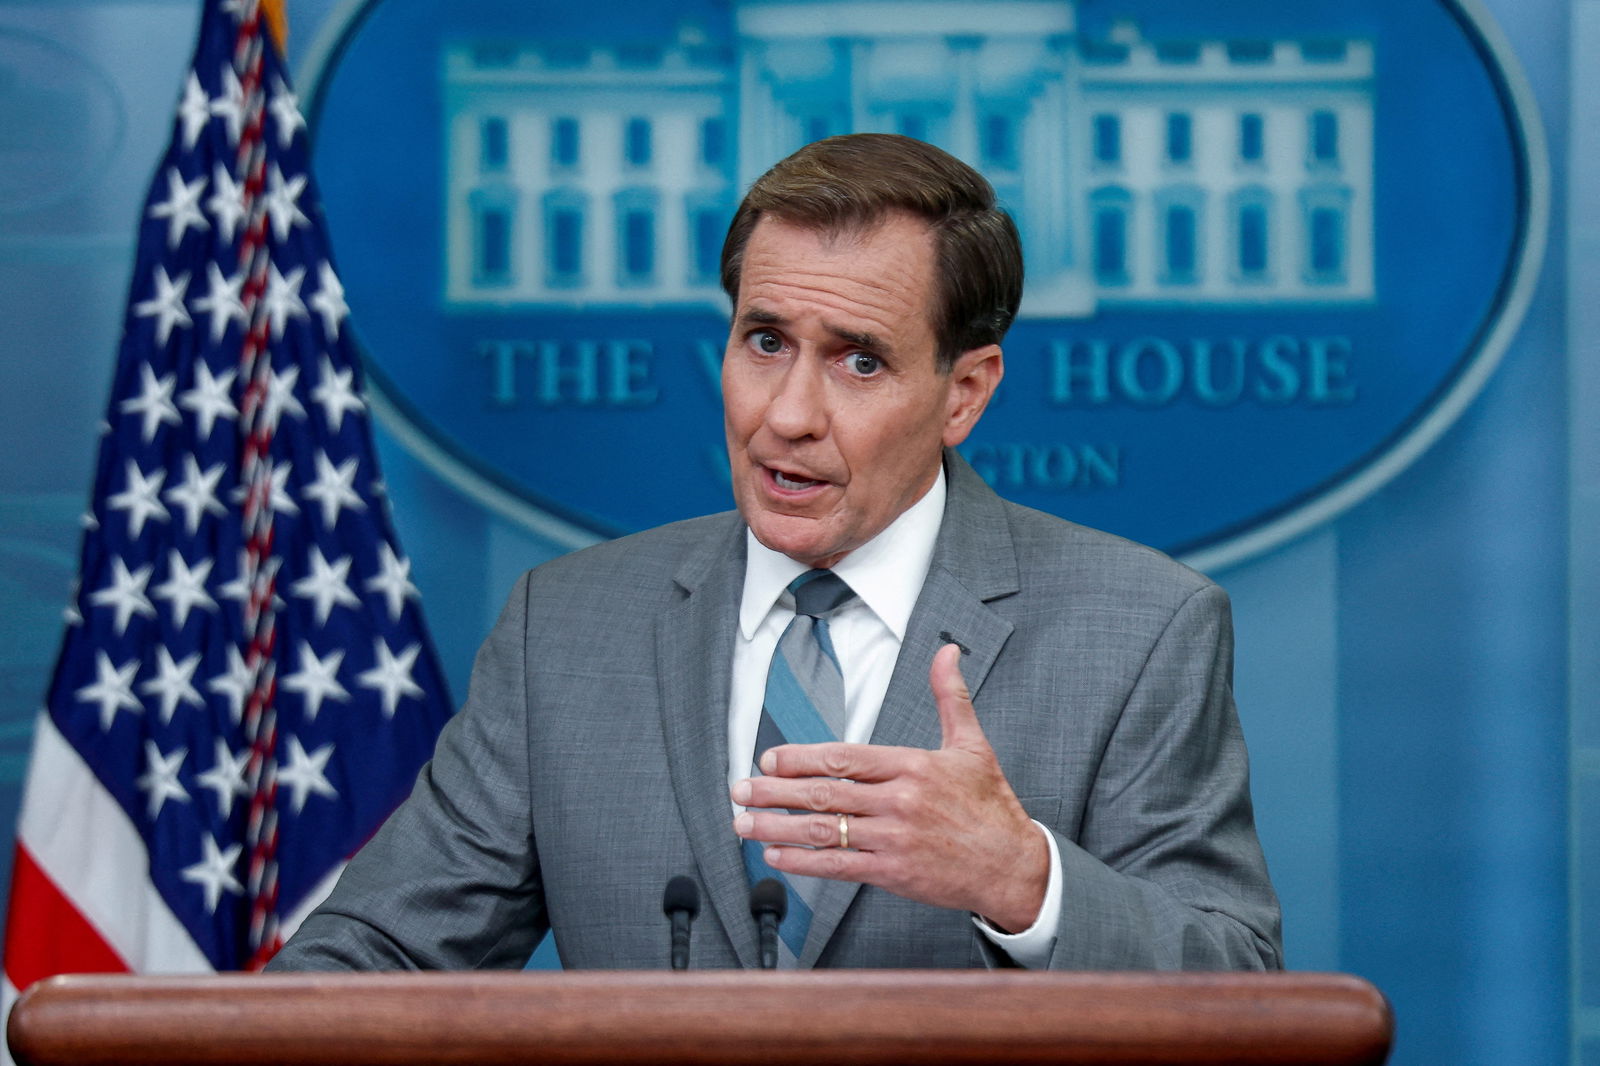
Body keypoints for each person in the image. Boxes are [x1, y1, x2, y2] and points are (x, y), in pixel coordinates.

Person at [271, 134, 1281, 972]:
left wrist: (1022, 880)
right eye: (764, 341)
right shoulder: (566, 628)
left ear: (964, 392)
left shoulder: (1139, 629)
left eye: (858, 359)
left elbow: (1237, 985)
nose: (786, 415)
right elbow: (370, 962)